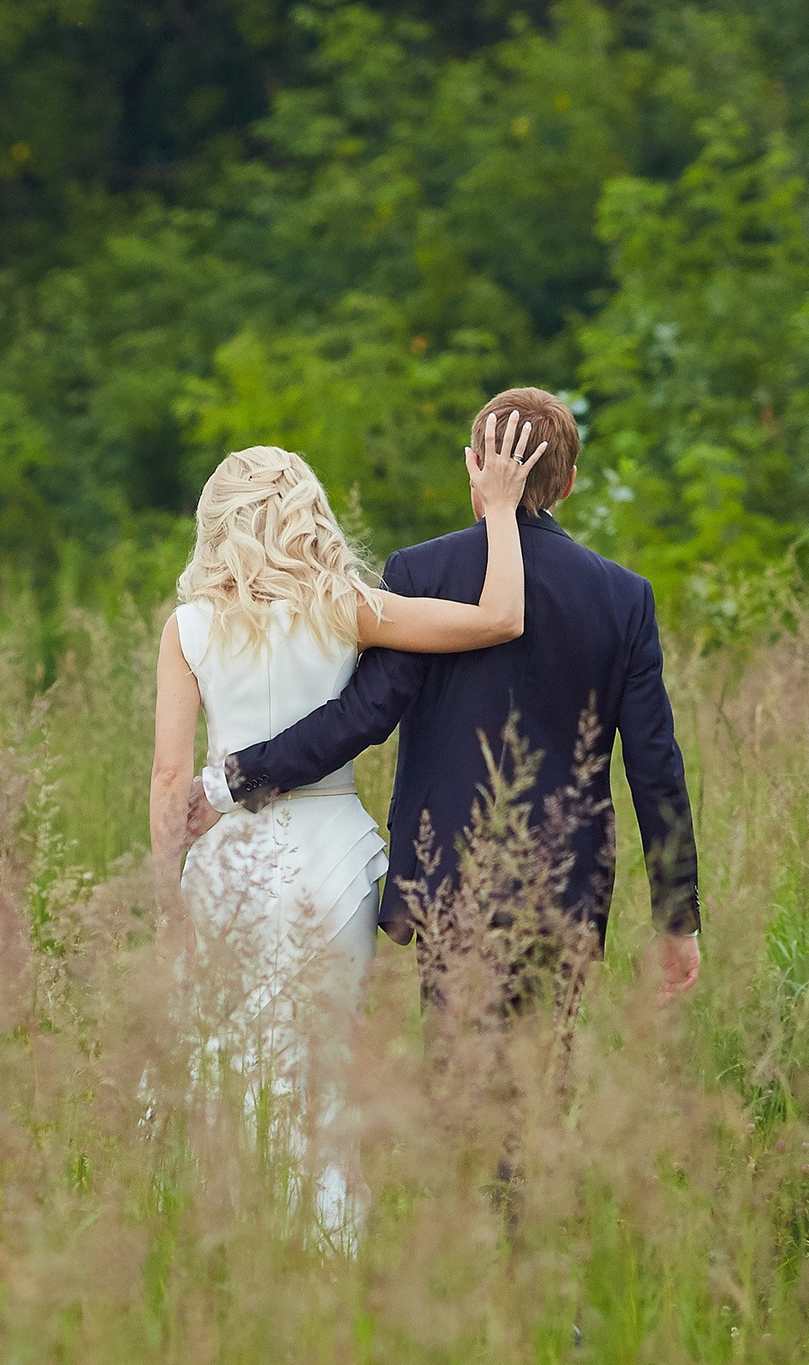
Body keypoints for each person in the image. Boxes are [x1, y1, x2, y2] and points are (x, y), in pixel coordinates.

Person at [149, 415, 547, 1244]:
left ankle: (224, 1250)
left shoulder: (188, 627)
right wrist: (504, 513)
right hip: (332, 860)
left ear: (217, 519)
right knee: (325, 1081)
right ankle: (332, 1258)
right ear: (309, 512)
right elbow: (501, 617)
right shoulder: (347, 608)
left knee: (221, 1067)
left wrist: (164, 901)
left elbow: (167, 777)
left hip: (224, 863)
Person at [189, 387, 700, 1032]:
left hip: (448, 878)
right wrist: (677, 920)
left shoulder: (422, 572)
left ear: (474, 467)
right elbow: (655, 767)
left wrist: (237, 778)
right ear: (569, 482)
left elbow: (361, 716)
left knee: (456, 1080)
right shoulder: (624, 597)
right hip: (566, 884)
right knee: (544, 1074)